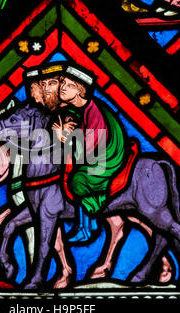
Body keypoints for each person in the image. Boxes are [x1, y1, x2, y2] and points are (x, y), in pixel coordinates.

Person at [52, 64, 129, 242]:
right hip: (94, 154)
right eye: (62, 82)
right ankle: (83, 225)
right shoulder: (79, 108)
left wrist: (66, 140)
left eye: (69, 85)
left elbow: (93, 146)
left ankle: (88, 227)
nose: (62, 87)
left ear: (80, 90)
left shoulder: (94, 112)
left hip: (108, 157)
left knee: (79, 180)